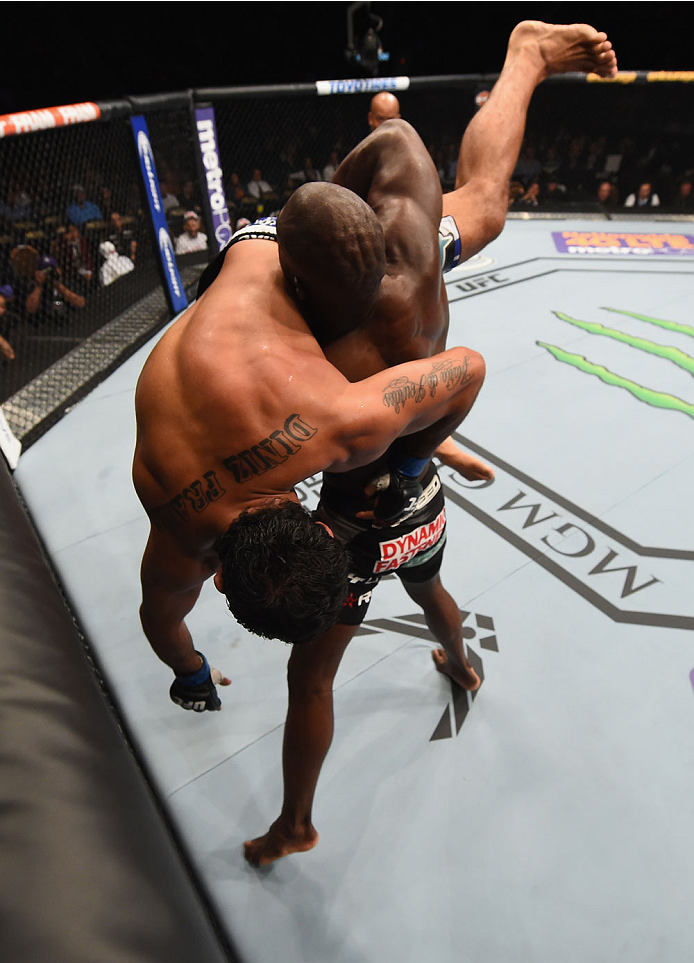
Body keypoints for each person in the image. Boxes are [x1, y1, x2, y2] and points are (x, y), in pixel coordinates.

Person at [241, 19, 618, 866]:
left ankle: (297, 821)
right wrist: (425, 450)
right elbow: (403, 143)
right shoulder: (413, 245)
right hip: (417, 496)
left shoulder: (298, 344)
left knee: (312, 676)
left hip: (356, 516)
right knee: (482, 203)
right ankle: (459, 659)